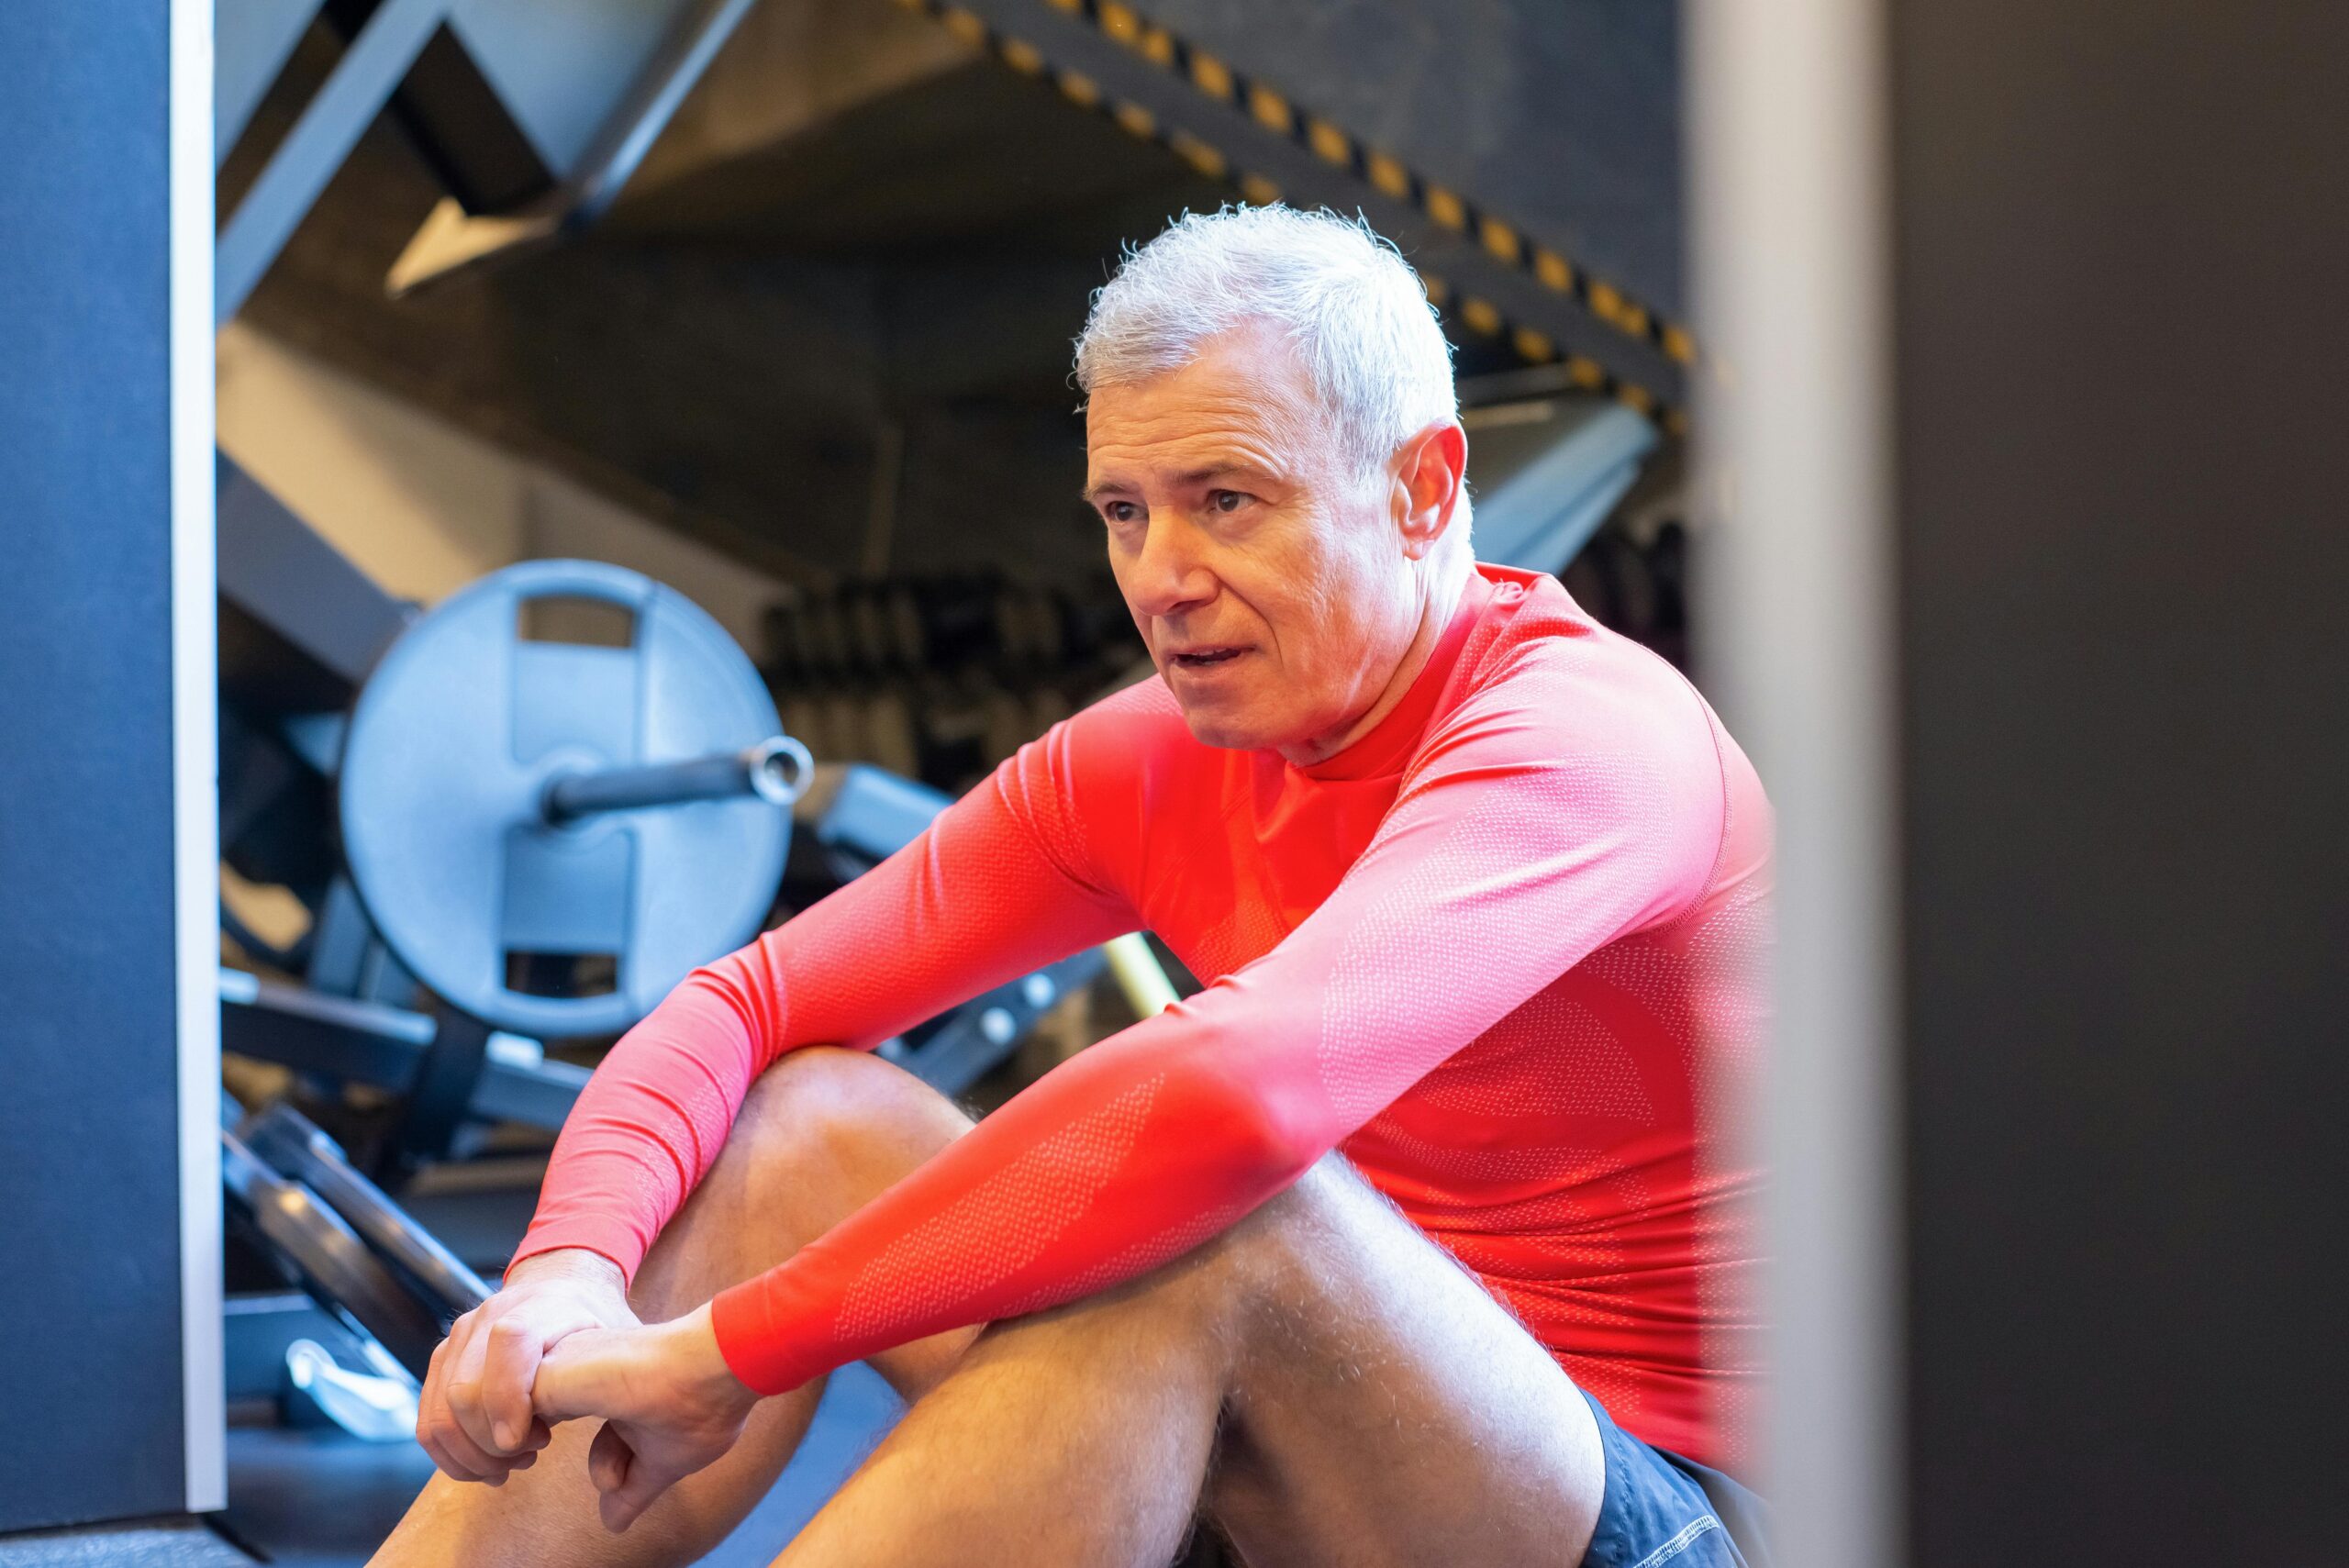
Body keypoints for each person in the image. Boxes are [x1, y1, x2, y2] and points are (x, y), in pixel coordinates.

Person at [372, 206, 1772, 1568]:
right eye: (1124, 511)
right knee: (807, 1117)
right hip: (1283, 1459)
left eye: (1227, 501)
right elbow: (746, 1001)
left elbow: (1237, 1099)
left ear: (1420, 491)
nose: (1161, 578)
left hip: (1663, 1510)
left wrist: (727, 1350)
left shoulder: (1585, 738)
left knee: (1225, 1214)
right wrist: (565, 1271)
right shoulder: (1158, 758)